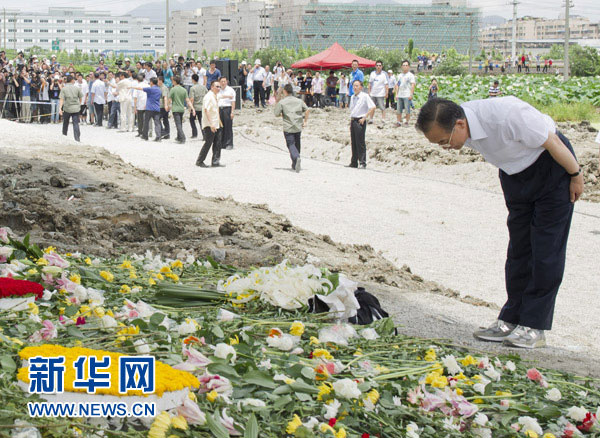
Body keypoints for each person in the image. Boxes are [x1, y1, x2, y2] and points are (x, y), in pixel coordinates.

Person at [415, 97, 584, 348]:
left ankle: (534, 326)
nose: (444, 147)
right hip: (514, 175)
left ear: (460, 124)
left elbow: (554, 141)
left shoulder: (506, 115)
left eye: (444, 141)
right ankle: (511, 319)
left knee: (546, 250)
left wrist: (575, 175)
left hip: (552, 168)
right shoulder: (460, 123)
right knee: (519, 250)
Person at [274, 83, 310, 172]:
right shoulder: (299, 101)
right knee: (297, 144)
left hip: (288, 126)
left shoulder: (282, 102)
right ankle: (294, 164)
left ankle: (296, 158)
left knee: (290, 144)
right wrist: (305, 121)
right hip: (298, 125)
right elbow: (307, 110)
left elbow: (276, 113)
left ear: (285, 91)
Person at [348, 80, 376, 169]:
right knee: (354, 142)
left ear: (361, 87)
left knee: (360, 142)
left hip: (360, 120)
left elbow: (373, 107)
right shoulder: (352, 97)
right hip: (353, 120)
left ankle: (362, 162)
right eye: (354, 86)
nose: (355, 88)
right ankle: (354, 162)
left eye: (357, 86)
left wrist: (365, 117)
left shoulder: (364, 96)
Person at [196, 80, 223, 168]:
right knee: (208, 142)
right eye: (217, 86)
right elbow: (206, 110)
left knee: (217, 143)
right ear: (212, 87)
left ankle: (215, 161)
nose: (219, 88)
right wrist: (211, 124)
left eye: (219, 87)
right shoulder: (208, 96)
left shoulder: (215, 96)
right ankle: (200, 161)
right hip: (209, 124)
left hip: (216, 123)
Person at [58, 75, 83, 142]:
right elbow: (80, 98)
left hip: (67, 108)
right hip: (75, 108)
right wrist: (79, 104)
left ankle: (64, 136)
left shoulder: (64, 89)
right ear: (72, 80)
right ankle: (77, 139)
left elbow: (61, 99)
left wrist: (60, 108)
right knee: (75, 124)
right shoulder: (77, 88)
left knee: (65, 123)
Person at [394, 60, 415, 127]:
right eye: (404, 65)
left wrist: (411, 94)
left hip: (407, 94)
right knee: (398, 109)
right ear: (401, 66)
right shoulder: (399, 75)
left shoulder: (411, 75)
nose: (405, 67)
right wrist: (396, 94)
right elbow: (397, 85)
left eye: (406, 65)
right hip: (400, 94)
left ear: (408, 66)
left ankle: (406, 122)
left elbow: (413, 85)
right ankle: (398, 121)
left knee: (407, 109)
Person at [218, 76, 236, 150]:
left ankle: (229, 143)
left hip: (227, 109)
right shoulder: (218, 89)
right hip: (219, 109)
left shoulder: (230, 90)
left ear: (227, 82)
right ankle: (222, 143)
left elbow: (233, 102)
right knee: (220, 127)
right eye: (221, 81)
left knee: (228, 126)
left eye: (224, 81)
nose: (223, 83)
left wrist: (232, 112)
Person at [169, 76, 188, 144]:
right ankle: (179, 137)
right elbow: (187, 100)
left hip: (175, 109)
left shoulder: (173, 89)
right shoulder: (184, 90)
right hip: (181, 109)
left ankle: (183, 137)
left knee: (178, 124)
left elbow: (169, 99)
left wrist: (168, 106)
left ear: (174, 81)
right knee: (180, 123)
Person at [189, 73, 208, 139]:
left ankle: (194, 134)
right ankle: (204, 135)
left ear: (193, 80)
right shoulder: (203, 87)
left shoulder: (192, 88)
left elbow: (192, 99)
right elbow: (207, 94)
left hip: (195, 107)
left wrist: (190, 108)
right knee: (201, 121)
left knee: (191, 120)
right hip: (202, 106)